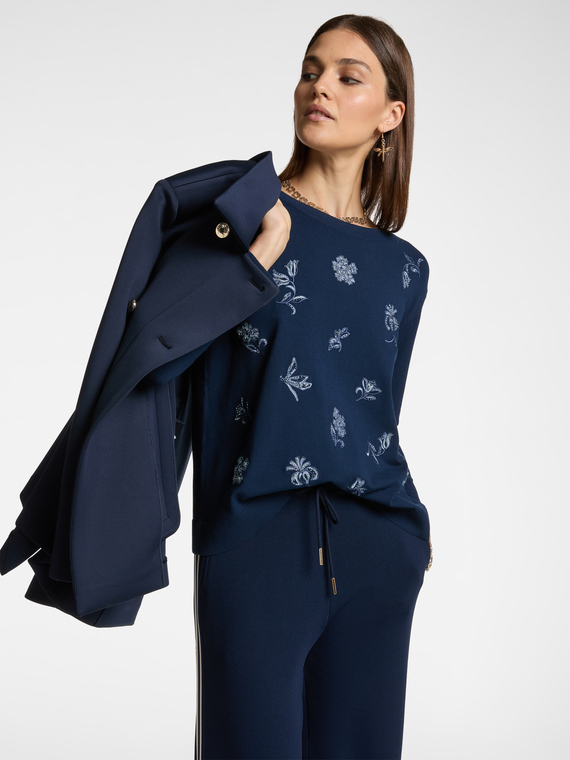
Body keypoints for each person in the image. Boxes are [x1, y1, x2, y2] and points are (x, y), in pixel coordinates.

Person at [191, 13, 432, 760]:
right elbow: (161, 348)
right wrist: (258, 256)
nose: (319, 87)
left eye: (347, 77)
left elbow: (376, 412)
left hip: (378, 544)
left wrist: (407, 541)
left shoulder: (405, 268)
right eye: (310, 71)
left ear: (390, 116)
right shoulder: (239, 216)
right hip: (257, 537)